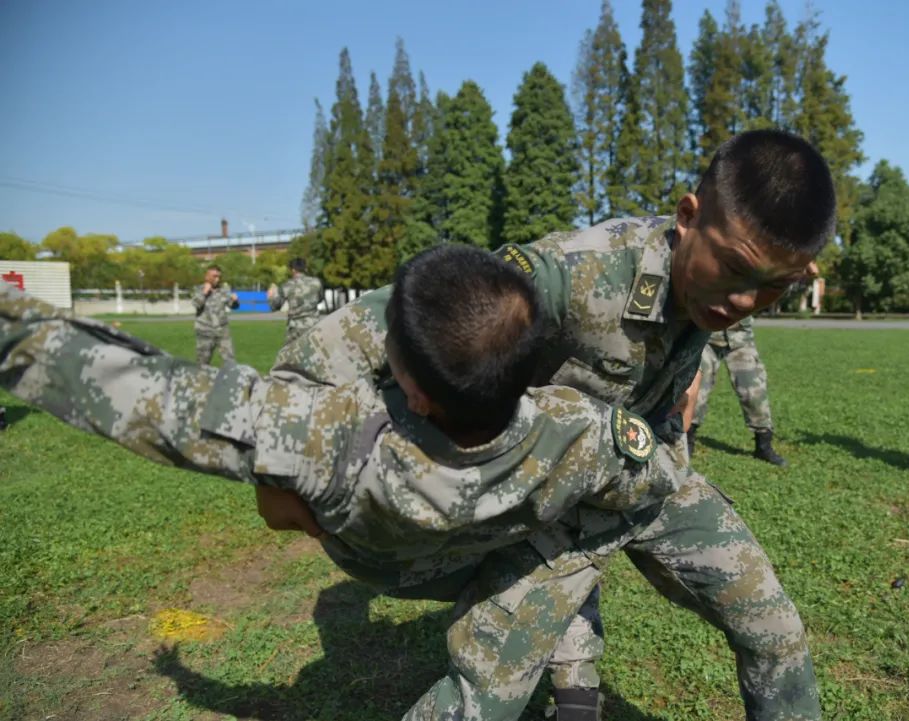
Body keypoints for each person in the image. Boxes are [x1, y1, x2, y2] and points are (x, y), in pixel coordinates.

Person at [0, 246, 821, 721]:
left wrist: (15, 337)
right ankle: (572, 674)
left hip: (388, 559)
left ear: (415, 389)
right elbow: (657, 478)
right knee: (582, 577)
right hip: (525, 548)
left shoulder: (334, 443)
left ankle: (571, 676)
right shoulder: (582, 430)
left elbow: (143, 397)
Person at [269, 129, 836, 719]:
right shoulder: (579, 271)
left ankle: (575, 677)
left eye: (771, 286)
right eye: (735, 267)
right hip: (542, 495)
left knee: (775, 631)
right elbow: (391, 320)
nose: (743, 301)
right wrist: (283, 454)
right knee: (489, 689)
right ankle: (570, 678)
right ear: (688, 217)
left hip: (644, 474)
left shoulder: (711, 288)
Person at [687, 317, 787, 465]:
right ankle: (687, 442)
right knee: (696, 391)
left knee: (754, 393)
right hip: (705, 336)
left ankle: (763, 446)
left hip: (740, 339)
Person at [267, 257, 324, 345]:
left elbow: (274, 306)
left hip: (295, 329)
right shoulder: (317, 282)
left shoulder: (287, 286)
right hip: (314, 325)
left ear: (293, 270)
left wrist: (271, 296)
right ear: (305, 268)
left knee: (289, 356)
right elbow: (320, 299)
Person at [191, 264, 239, 364]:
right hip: (205, 330)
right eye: (214, 276)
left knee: (230, 361)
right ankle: (202, 380)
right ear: (206, 276)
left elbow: (233, 306)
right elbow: (196, 304)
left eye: (219, 277)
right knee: (202, 362)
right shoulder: (198, 289)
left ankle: (230, 379)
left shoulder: (223, 290)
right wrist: (204, 292)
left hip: (222, 330)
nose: (217, 279)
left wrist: (235, 301)